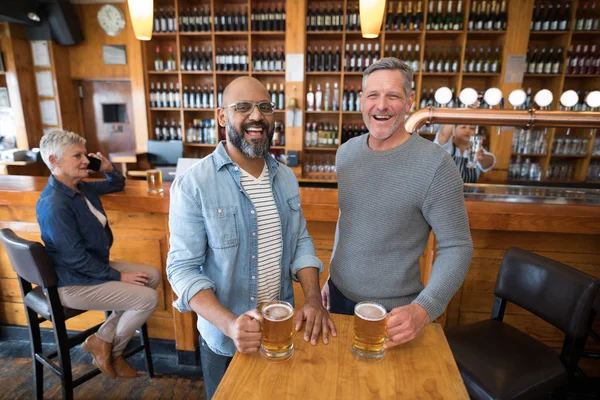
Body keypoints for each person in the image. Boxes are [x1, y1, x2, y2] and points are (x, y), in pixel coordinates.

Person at [167, 77, 336, 400]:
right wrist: (230, 324)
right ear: (221, 117)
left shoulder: (285, 177)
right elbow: (182, 270)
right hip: (225, 341)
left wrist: (313, 299)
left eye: (265, 107)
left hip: (280, 329)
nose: (256, 116)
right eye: (242, 107)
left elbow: (300, 241)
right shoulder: (194, 183)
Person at [321, 58, 473, 347]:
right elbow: (348, 220)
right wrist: (332, 274)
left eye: (392, 95)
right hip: (337, 299)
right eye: (373, 95)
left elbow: (457, 246)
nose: (381, 106)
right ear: (361, 100)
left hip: (394, 314)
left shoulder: (436, 164)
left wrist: (425, 308)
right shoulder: (346, 154)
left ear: (409, 101)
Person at [36, 130, 160, 379]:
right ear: (54, 161)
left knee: (153, 276)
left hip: (89, 270)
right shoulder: (55, 204)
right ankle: (115, 353)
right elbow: (75, 259)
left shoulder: (80, 188)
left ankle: (101, 339)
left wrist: (108, 167)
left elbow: (116, 183)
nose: (85, 160)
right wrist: (118, 276)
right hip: (72, 283)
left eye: (85, 154)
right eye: (77, 155)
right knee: (147, 298)